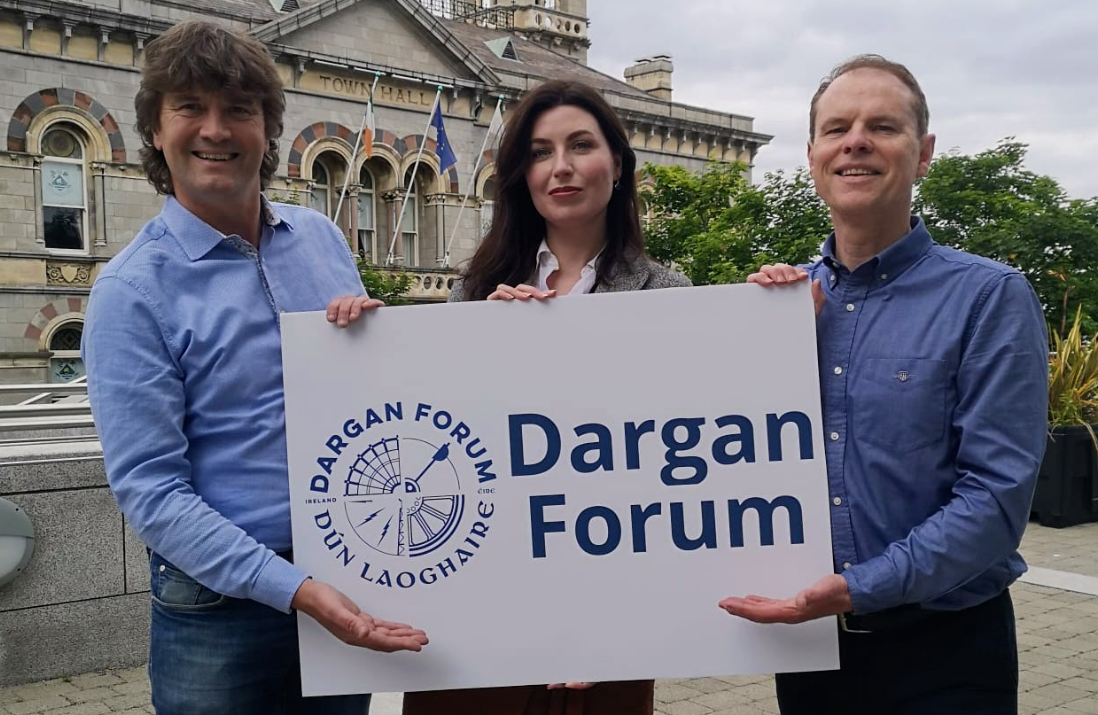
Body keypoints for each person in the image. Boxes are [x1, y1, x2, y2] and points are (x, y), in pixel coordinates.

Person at [81, 21, 427, 715]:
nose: (216, 129)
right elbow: (152, 490)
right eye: (190, 107)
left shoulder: (322, 238)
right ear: (155, 129)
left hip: (346, 565)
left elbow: (374, 409)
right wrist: (295, 589)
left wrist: (376, 344)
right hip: (217, 609)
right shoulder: (130, 292)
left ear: (267, 129)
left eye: (239, 109)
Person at [719, 55, 1048, 715]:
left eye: (882, 126)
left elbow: (995, 499)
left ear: (923, 153)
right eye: (837, 128)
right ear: (812, 156)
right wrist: (756, 349)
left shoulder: (989, 297)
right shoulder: (782, 307)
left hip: (946, 653)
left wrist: (856, 588)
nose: (856, 142)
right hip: (809, 653)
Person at [402, 79, 690, 715]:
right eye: (539, 152)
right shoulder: (474, 293)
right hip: (481, 622)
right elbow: (436, 443)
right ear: (520, 176)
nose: (560, 167)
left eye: (580, 145)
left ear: (617, 164)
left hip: (609, 624)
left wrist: (774, 315)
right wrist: (358, 337)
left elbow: (676, 467)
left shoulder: (668, 294)